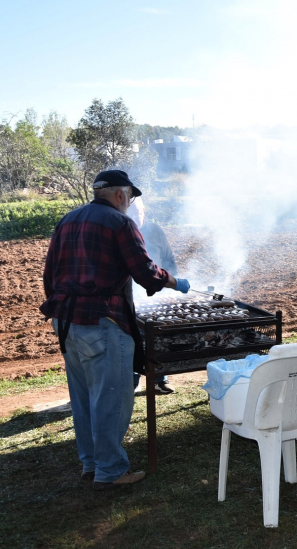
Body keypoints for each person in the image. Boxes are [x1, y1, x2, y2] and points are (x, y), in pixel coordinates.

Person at [40, 170, 191, 491]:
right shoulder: (121, 224)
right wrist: (176, 282)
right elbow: (146, 273)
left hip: (67, 322)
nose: (131, 203)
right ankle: (110, 471)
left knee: (83, 398)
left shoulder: (69, 219)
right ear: (121, 195)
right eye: (131, 197)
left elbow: (49, 276)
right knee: (111, 398)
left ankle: (91, 463)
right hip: (103, 323)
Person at [129, 198, 177, 395]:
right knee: (133, 337)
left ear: (144, 210)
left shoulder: (154, 230)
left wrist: (173, 285)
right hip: (130, 296)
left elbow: (168, 259)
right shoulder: (122, 230)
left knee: (159, 336)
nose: (136, 215)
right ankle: (132, 379)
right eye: (131, 211)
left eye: (139, 211)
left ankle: (160, 379)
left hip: (156, 293)